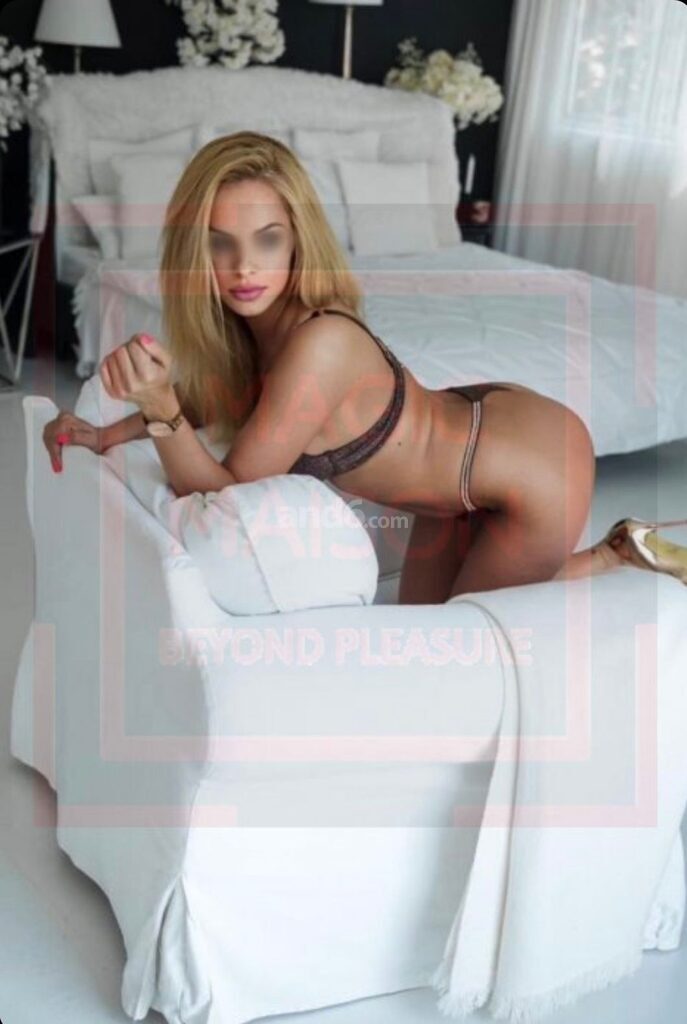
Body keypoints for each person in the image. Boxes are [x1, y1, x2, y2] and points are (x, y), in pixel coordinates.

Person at [42, 131, 687, 602]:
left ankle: (616, 557)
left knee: (466, 635)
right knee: (422, 630)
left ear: (298, 239)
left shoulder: (319, 343)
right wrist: (104, 433)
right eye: (220, 244)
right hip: (471, 450)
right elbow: (213, 398)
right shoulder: (258, 330)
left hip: (531, 466)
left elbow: (225, 492)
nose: (244, 267)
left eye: (267, 239)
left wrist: (159, 411)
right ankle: (623, 547)